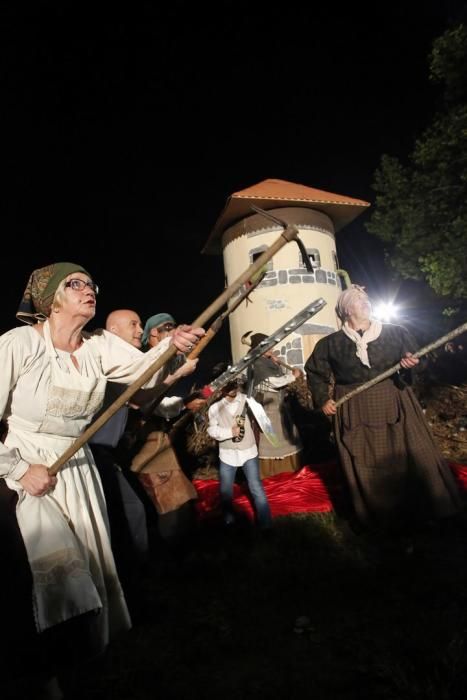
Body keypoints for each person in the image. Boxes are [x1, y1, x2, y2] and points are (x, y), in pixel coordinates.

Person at [1, 263, 204, 694]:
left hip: (77, 471)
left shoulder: (99, 346)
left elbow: (145, 373)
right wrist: (19, 469)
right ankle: (39, 674)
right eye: (75, 284)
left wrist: (174, 346)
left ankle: (79, 664)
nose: (88, 289)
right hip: (27, 472)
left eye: (91, 283)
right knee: (48, 575)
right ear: (51, 297)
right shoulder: (18, 344)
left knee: (89, 572)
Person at [305, 284, 462, 534]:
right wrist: (323, 399)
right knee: (366, 458)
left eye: (366, 299)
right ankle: (378, 516)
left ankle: (430, 511)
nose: (365, 303)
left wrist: (412, 364)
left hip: (395, 397)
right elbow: (315, 373)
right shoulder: (330, 344)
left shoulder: (396, 333)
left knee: (414, 452)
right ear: (345, 310)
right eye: (358, 300)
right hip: (355, 407)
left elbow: (419, 366)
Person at [89, 309, 198, 601]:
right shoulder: (107, 359)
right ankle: (131, 582)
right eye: (133, 325)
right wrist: (175, 369)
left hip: (107, 453)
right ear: (112, 331)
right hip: (96, 452)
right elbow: (145, 398)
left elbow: (144, 392)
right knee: (126, 516)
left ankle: (137, 577)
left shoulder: (128, 363)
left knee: (133, 512)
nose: (138, 330)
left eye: (140, 324)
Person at [207, 379, 272, 531]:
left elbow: (263, 420)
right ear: (221, 387)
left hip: (249, 452)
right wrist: (229, 432)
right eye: (228, 384)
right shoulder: (215, 408)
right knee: (226, 492)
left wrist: (264, 422)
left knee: (256, 488)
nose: (232, 388)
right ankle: (229, 523)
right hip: (227, 455)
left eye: (233, 383)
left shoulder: (248, 401)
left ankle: (266, 525)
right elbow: (211, 430)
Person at [249, 333, 304, 478]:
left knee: (285, 436)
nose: (271, 348)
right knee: (271, 438)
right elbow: (274, 382)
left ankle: (289, 471)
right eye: (268, 345)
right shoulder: (257, 363)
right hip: (268, 407)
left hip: (278, 405)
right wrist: (293, 376)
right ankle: (272, 474)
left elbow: (278, 379)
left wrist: (276, 364)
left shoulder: (267, 362)